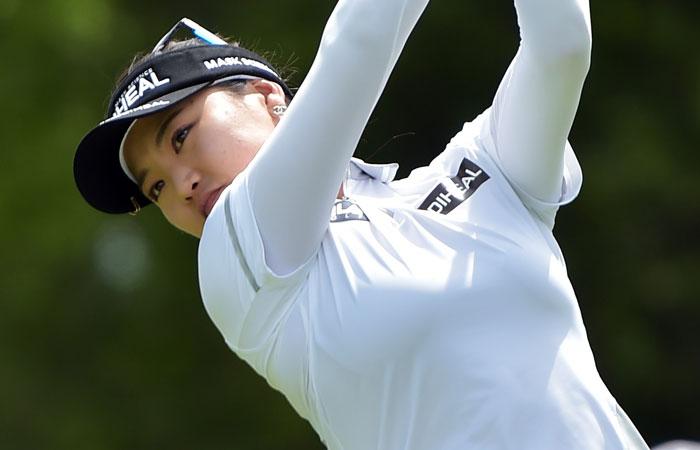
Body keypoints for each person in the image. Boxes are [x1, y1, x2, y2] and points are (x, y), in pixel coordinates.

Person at [73, 0, 651, 448]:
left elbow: (561, 47)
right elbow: (363, 39)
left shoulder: (482, 175)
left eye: (181, 136)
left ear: (265, 96)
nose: (180, 185)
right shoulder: (238, 261)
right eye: (155, 187)